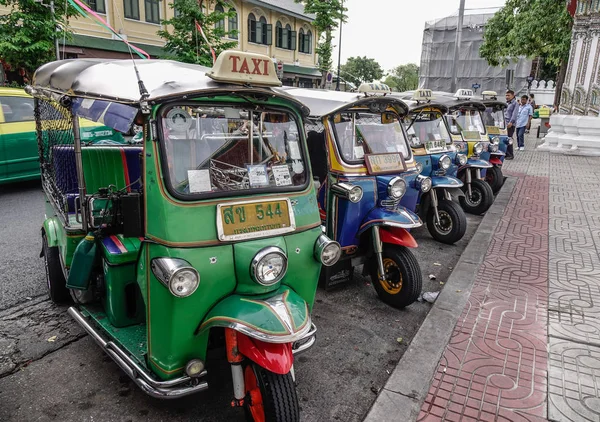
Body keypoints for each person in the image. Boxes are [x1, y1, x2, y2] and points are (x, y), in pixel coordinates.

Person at [504, 90, 519, 159]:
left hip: (510, 124)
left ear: (513, 96)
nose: (507, 97)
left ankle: (510, 154)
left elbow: (515, 114)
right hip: (504, 124)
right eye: (506, 95)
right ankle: (505, 153)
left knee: (509, 139)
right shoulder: (506, 103)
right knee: (504, 139)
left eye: (508, 95)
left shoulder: (515, 104)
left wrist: (511, 122)